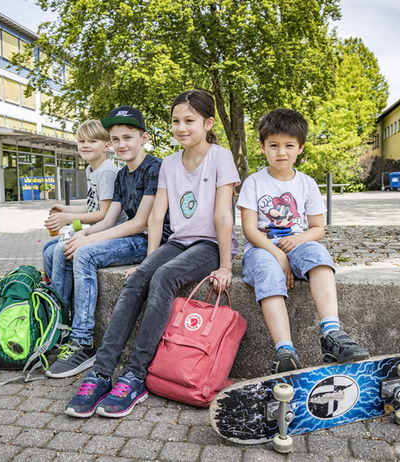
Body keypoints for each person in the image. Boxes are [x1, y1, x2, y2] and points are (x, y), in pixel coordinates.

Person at [65, 89, 240, 418]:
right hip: (178, 241)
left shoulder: (221, 157)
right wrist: (146, 261)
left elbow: (223, 214)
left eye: (189, 120)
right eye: (176, 121)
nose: (181, 127)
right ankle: (101, 373)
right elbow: (157, 215)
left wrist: (227, 265)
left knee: (164, 278)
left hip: (209, 245)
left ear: (208, 123)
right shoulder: (170, 163)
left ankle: (135, 376)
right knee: (139, 280)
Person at [237, 108, 369, 374]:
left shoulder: (307, 184)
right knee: (267, 270)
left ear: (300, 148)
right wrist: (278, 255)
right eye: (273, 145)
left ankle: (332, 333)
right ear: (262, 147)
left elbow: (317, 228)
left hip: (297, 243)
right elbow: (250, 231)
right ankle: (285, 350)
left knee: (318, 255)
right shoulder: (253, 182)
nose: (281, 152)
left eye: (289, 146)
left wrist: (297, 241)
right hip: (262, 249)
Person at [45, 106, 171, 379]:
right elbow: (108, 218)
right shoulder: (122, 175)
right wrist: (83, 234)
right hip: (132, 236)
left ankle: (83, 342)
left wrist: (89, 242)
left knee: (85, 255)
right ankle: (58, 328)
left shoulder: (155, 168)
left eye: (128, 137)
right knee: (70, 248)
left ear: (144, 138)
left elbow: (140, 223)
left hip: (153, 240)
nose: (121, 144)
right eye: (116, 139)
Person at [42, 119, 124, 306]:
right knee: (47, 250)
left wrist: (68, 218)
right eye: (82, 141)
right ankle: (61, 298)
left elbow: (104, 214)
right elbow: (92, 205)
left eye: (93, 141)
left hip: (111, 231)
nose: (86, 145)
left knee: (61, 251)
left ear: (106, 146)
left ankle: (59, 308)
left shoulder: (107, 172)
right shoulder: (91, 169)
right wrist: (65, 210)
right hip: (97, 230)